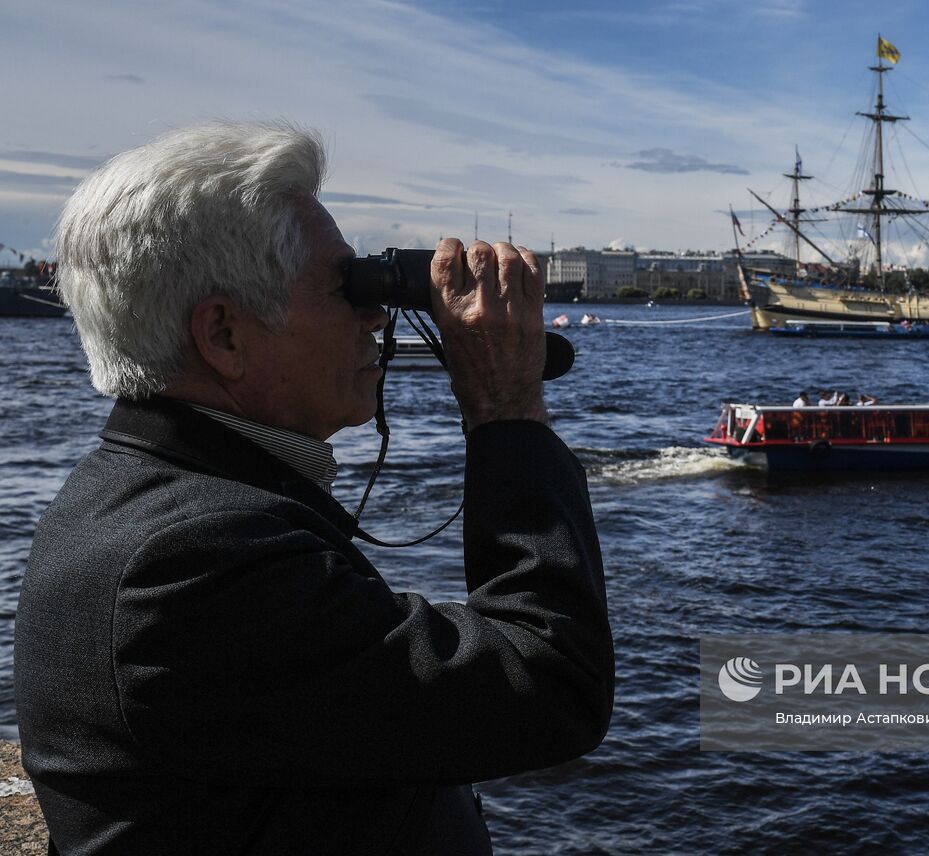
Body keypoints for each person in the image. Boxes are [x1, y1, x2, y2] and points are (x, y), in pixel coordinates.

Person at [14, 122, 614, 855]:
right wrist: (507, 412)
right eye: (346, 286)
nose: (378, 313)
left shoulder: (142, 496)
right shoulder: (186, 563)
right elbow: (548, 688)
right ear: (225, 335)